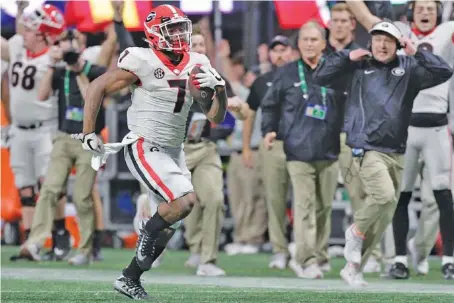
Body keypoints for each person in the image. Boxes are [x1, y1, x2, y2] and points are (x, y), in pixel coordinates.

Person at [72, 5, 228, 299]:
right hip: (144, 144)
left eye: (182, 28)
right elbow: (97, 86)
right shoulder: (141, 59)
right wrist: (90, 130)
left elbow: (216, 117)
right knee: (185, 201)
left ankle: (129, 278)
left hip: (174, 150)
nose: (180, 34)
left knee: (171, 224)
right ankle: (146, 227)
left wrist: (219, 90)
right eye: (172, 29)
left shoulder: (198, 62)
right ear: (155, 34)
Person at [313, 21, 453, 285]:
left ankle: (354, 267)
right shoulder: (357, 67)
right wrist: (345, 55)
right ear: (371, 42)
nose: (382, 44)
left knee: (386, 213)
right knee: (385, 195)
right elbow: (319, 76)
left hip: (396, 151)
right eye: (378, 38)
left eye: (389, 39)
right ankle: (354, 230)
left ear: (398, 44)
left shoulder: (409, 68)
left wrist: (417, 52)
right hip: (365, 147)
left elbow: (444, 71)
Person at [347, 0, 454, 280]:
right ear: (410, 12)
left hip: (438, 123)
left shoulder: (447, 31)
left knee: (442, 195)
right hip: (404, 125)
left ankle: (442, 258)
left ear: (440, 12)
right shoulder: (395, 32)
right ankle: (399, 258)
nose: (426, 13)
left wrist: (415, 50)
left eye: (431, 9)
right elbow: (366, 17)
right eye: (421, 8)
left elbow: (444, 71)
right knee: (400, 195)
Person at [18, 28, 109, 265]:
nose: (69, 48)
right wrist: (51, 64)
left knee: (82, 196)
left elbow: (99, 93)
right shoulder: (59, 72)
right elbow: (42, 94)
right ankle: (35, 242)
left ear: (82, 44)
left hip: (89, 139)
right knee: (49, 189)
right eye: (65, 43)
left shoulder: (94, 70)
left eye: (73, 42)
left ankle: (85, 250)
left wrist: (79, 68)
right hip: (63, 138)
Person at [262, 21, 344, 279]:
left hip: (329, 149)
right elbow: (270, 105)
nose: (309, 44)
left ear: (323, 43)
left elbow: (346, 102)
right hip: (297, 150)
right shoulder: (286, 73)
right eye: (305, 39)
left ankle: (320, 255)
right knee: (305, 206)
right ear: (299, 44)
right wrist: (269, 130)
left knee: (324, 208)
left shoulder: (334, 70)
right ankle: (306, 260)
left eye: (314, 39)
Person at [182, 24, 247, 276]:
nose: (198, 49)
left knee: (215, 199)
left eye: (201, 45)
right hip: (176, 150)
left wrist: (234, 111)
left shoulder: (215, 76)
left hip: (205, 148)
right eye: (193, 45)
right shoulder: (172, 76)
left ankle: (207, 259)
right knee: (179, 205)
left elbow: (233, 118)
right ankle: (174, 246)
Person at [0, 3, 66, 248]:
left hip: (45, 129)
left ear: (44, 34)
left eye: (30, 29)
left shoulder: (55, 59)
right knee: (25, 188)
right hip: (19, 129)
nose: (23, 32)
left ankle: (59, 235)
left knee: (50, 185)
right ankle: (30, 240)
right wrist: (21, 11)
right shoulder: (19, 48)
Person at [243, 35, 292, 269]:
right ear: (270, 55)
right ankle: (280, 250)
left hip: (301, 144)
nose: (279, 54)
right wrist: (246, 147)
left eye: (284, 49)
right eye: (275, 50)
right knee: (275, 200)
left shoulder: (302, 76)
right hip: (272, 145)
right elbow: (249, 115)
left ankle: (305, 250)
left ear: (291, 52)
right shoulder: (261, 82)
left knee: (306, 200)